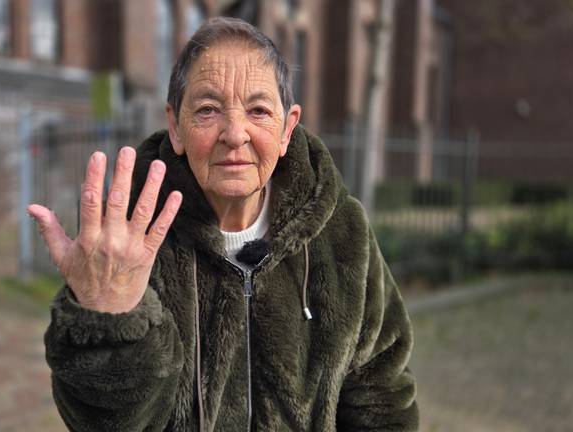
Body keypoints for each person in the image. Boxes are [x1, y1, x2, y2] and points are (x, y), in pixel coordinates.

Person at [28, 17, 418, 431]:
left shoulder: (342, 231)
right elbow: (107, 423)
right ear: (175, 126)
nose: (235, 133)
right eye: (209, 110)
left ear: (288, 128)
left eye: (259, 110)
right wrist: (109, 319)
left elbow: (382, 393)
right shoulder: (126, 245)